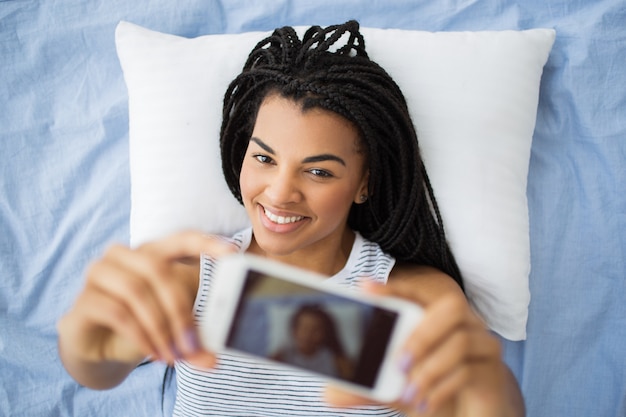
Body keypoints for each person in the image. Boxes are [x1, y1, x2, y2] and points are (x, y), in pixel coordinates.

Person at [57, 21, 525, 416]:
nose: (280, 193)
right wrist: (85, 333)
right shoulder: (190, 283)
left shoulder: (415, 300)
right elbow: (97, 365)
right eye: (264, 159)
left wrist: (490, 388)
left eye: (319, 171)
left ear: (365, 183)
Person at [271, 303, 354, 380]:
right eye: (304, 329)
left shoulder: (337, 361)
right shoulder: (281, 357)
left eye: (316, 330)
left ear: (325, 334)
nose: (308, 335)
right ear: (294, 331)